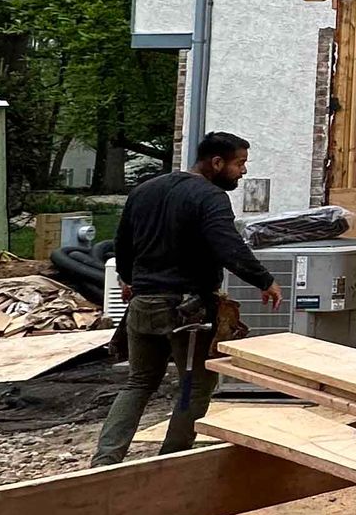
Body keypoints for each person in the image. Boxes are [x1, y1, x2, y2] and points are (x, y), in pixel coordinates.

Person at [92, 133, 282, 466]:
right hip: (187, 311)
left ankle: (105, 460)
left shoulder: (144, 191)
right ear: (217, 162)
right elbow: (228, 245)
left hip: (142, 305)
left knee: (139, 382)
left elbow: (123, 242)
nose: (244, 171)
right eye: (240, 163)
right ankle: (172, 459)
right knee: (194, 385)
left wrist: (127, 277)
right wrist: (264, 281)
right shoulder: (210, 197)